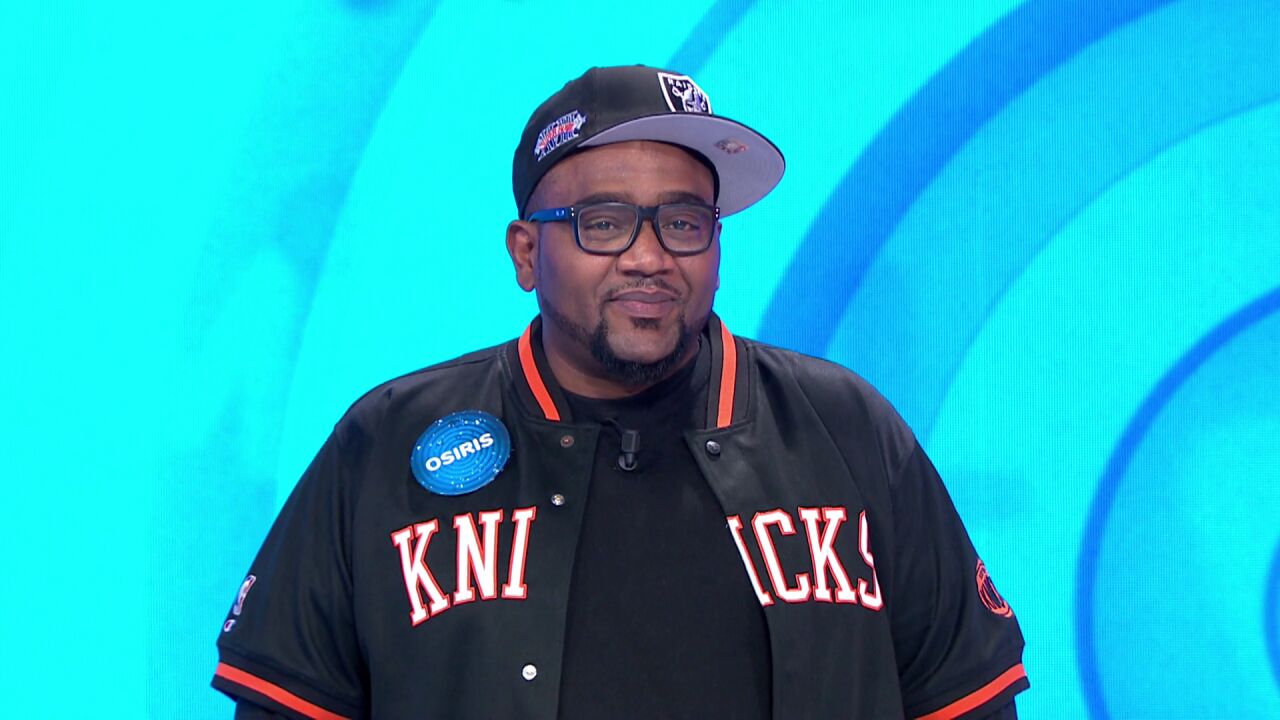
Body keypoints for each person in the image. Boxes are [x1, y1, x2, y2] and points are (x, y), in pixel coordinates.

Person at [213, 64, 1028, 719]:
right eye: (603, 223)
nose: (650, 257)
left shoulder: (845, 428)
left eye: (684, 223)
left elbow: (967, 700)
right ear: (526, 254)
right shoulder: (390, 441)